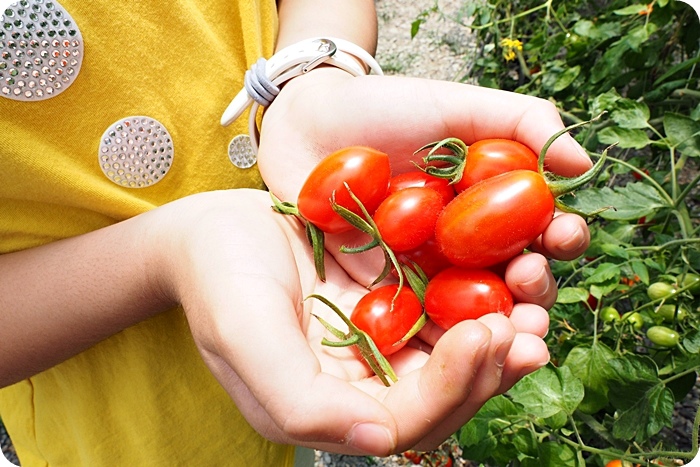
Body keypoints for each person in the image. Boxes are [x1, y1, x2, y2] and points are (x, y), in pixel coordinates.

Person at [0, 0, 593, 465]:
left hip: (310, 322)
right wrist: (164, 255)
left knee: (312, 421)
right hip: (124, 424)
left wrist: (313, 77)